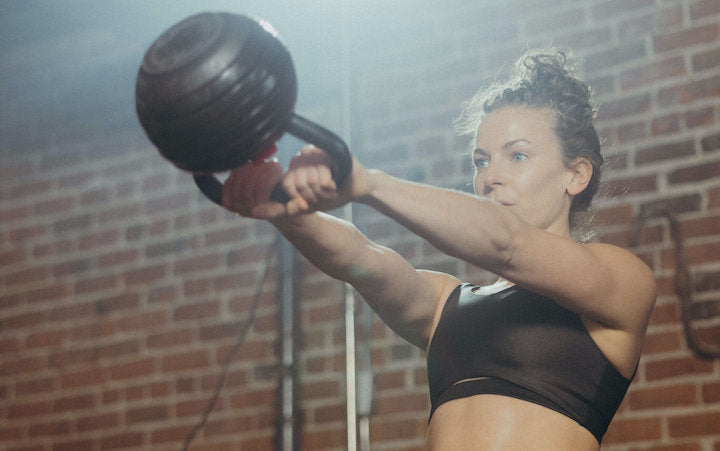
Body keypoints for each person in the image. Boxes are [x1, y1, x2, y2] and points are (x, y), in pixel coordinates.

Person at [222, 49, 657, 450]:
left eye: (517, 157)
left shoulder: (621, 280)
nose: (491, 176)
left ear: (576, 175)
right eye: (481, 160)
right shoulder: (445, 305)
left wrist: (370, 184)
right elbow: (360, 258)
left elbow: (508, 243)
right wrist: (282, 208)